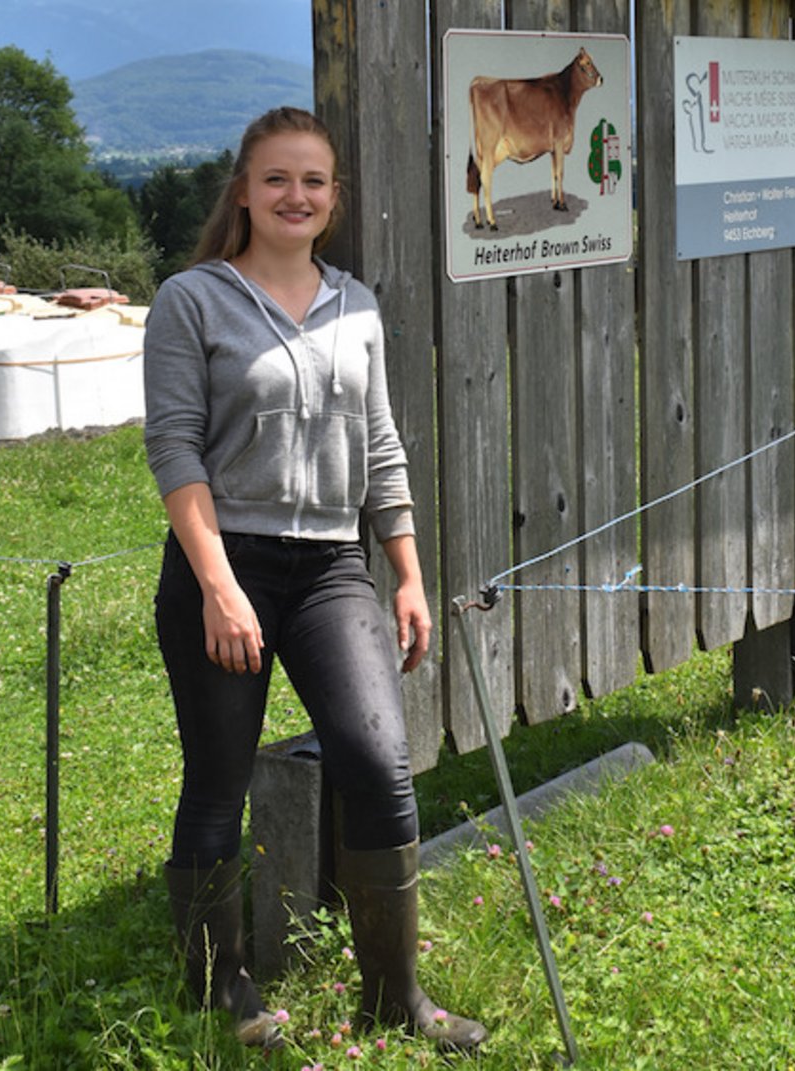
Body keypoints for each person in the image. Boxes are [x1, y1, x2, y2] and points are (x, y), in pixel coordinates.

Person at [143, 106, 487, 1054]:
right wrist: (218, 585)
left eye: (314, 182)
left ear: (333, 200)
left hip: (335, 564)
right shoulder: (193, 299)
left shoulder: (357, 304)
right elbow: (173, 447)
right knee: (216, 783)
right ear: (244, 191)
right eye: (277, 179)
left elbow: (380, 444)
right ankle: (222, 985)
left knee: (379, 765)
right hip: (228, 561)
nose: (296, 196)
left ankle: (396, 998)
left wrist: (408, 572)